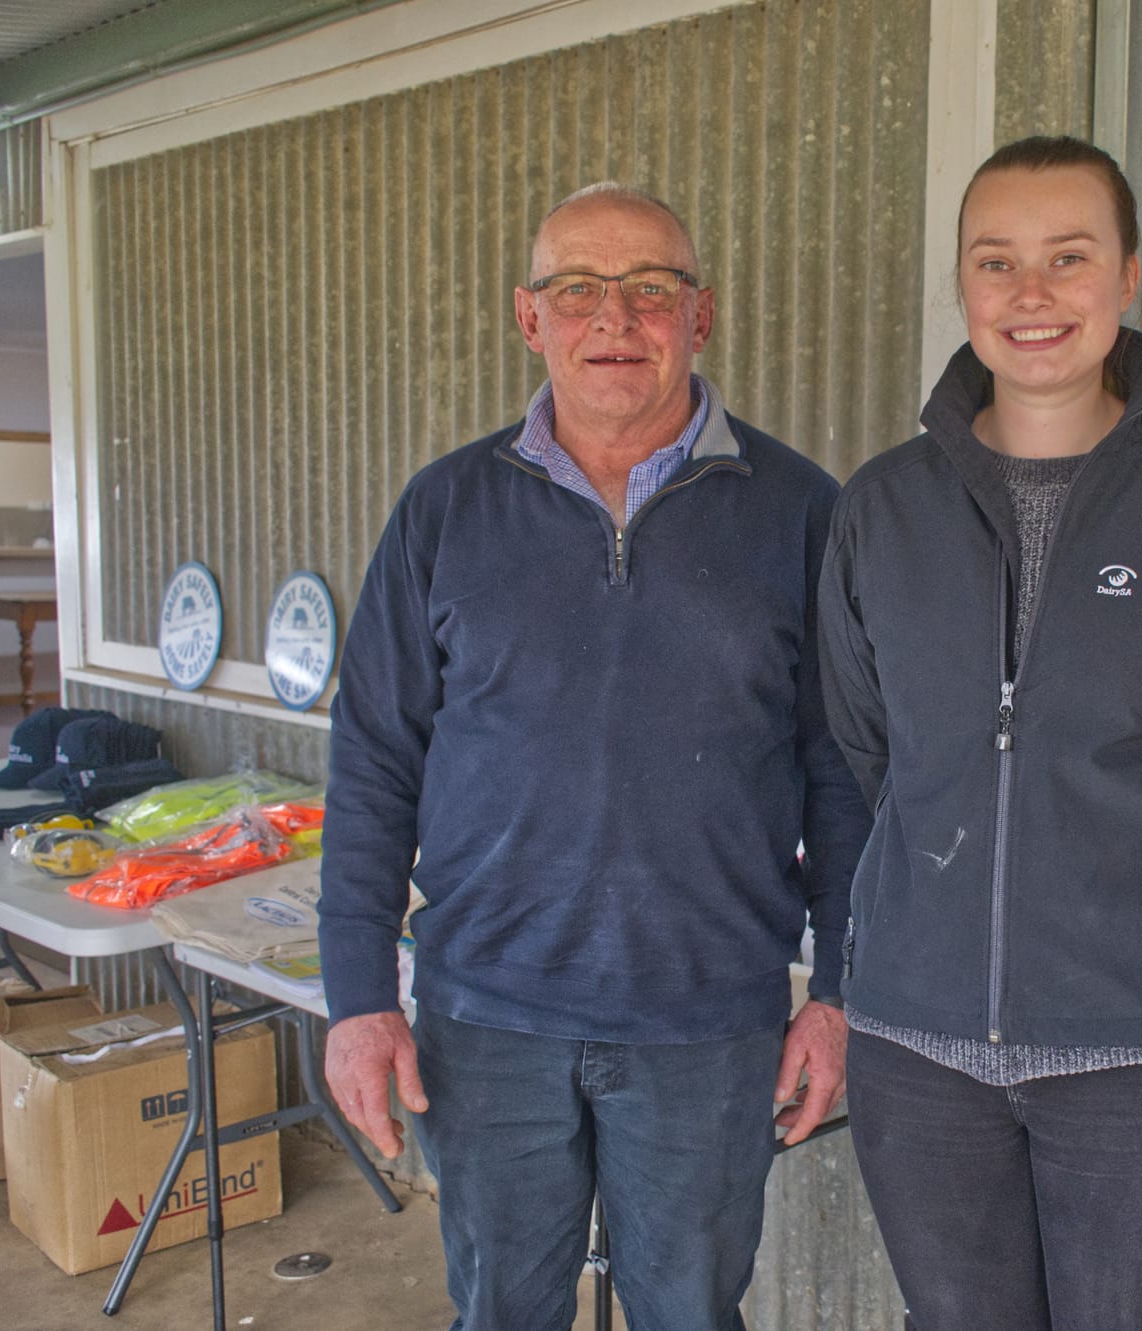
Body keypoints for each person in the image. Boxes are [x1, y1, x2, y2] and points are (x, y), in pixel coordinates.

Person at [318, 182, 871, 1331]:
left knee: (687, 1312)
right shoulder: (444, 510)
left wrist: (843, 992)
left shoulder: (802, 512)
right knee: (501, 1311)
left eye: (649, 289)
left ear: (699, 315)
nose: (613, 318)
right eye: (577, 289)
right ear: (530, 319)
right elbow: (374, 758)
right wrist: (360, 997)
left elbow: (848, 771)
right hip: (486, 1019)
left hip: (707, 1028)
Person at [819, 136, 1142, 1331]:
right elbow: (865, 746)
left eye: (1068, 257)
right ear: (961, 284)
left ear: (1128, 277)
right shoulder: (881, 509)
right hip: (921, 1044)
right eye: (996, 261)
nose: (1031, 294)